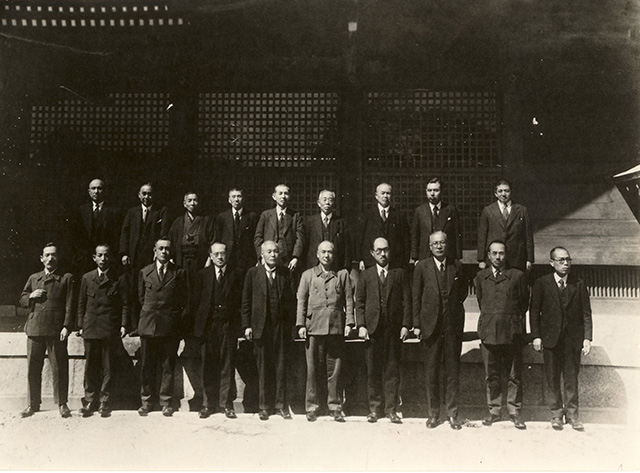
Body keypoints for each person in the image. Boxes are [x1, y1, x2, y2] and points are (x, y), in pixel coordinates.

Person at [530, 247, 593, 431]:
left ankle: (573, 416)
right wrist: (536, 336)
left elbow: (586, 314)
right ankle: (556, 414)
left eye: (568, 260)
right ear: (552, 263)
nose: (565, 264)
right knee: (552, 378)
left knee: (571, 379)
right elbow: (534, 312)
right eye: (561, 260)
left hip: (572, 341)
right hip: (550, 340)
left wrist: (587, 338)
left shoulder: (578, 284)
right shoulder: (541, 283)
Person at [413, 231, 467, 430]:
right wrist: (417, 324)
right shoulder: (422, 267)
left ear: (447, 244)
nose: (439, 246)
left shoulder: (457, 266)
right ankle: (433, 413)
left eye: (442, 242)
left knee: (453, 371)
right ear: (429, 246)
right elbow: (416, 296)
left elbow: (461, 294)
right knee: (432, 371)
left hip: (452, 326)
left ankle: (453, 413)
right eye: (435, 243)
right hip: (430, 326)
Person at [297, 241, 355, 422]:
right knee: (312, 369)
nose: (327, 255)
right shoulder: (308, 275)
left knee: (335, 370)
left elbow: (348, 300)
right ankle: (312, 406)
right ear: (317, 254)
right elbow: (301, 301)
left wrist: (349, 323)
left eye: (330, 252)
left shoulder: (342, 275)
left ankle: (335, 406)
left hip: (336, 327)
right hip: (314, 327)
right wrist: (300, 325)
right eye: (323, 252)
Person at [355, 237, 411, 424]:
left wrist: (405, 325)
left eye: (385, 250)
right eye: (378, 250)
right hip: (372, 329)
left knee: (392, 369)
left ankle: (391, 409)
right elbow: (360, 303)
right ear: (372, 253)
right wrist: (361, 325)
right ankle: (374, 408)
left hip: (393, 329)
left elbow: (406, 301)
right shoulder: (366, 275)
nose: (382, 254)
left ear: (390, 251)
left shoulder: (399, 274)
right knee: (373, 370)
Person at [474, 240, 529, 429]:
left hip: (512, 331)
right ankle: (494, 411)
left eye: (502, 253)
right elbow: (482, 301)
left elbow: (523, 304)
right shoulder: (481, 277)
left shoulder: (517, 276)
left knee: (514, 375)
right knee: (492, 375)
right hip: (489, 331)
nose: (498, 257)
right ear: (488, 255)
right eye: (494, 253)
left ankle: (514, 411)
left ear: (506, 255)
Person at [169, 191, 213, 411]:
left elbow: (212, 243)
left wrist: (207, 263)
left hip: (200, 265)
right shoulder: (178, 222)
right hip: (182, 265)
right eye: (189, 200)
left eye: (196, 200)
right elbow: (171, 242)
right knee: (182, 296)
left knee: (199, 297)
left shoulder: (206, 221)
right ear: (183, 203)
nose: (193, 203)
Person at [241, 241, 295, 421]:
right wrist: (247, 325)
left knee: (281, 366)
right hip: (260, 327)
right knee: (263, 367)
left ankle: (281, 405)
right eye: (269, 252)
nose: (273, 255)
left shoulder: (285, 273)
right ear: (262, 254)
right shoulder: (252, 273)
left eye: (275, 251)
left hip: (280, 328)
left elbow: (291, 302)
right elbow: (246, 302)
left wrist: (291, 327)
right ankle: (264, 406)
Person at [19, 243, 74, 418]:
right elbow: (21, 298)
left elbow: (70, 305)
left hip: (56, 329)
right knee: (33, 368)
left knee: (59, 368)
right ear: (41, 258)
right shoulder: (34, 278)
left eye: (54, 255)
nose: (50, 258)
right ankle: (32, 404)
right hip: (35, 328)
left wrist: (67, 326)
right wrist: (30, 296)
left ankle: (62, 404)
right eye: (47, 255)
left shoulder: (66, 278)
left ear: (58, 257)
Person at [77, 244, 129, 418]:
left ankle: (105, 401)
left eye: (106, 255)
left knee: (108, 366)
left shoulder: (119, 278)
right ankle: (90, 400)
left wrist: (123, 325)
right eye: (99, 255)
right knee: (91, 365)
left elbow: (125, 304)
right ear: (94, 258)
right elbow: (81, 303)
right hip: (91, 327)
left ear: (110, 257)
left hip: (109, 328)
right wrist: (80, 325)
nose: (103, 259)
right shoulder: (87, 278)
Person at [192, 242, 244, 419]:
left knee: (227, 364)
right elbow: (195, 302)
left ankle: (226, 404)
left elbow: (240, 303)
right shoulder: (202, 275)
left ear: (227, 254)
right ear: (211, 256)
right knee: (208, 364)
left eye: (223, 253)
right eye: (216, 254)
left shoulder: (235, 275)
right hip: (208, 325)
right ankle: (208, 404)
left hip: (227, 325)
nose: (220, 257)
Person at [136, 238, 187, 417]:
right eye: (161, 248)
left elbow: (182, 299)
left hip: (169, 326)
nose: (164, 251)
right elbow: (141, 298)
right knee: (147, 365)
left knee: (168, 365)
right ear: (154, 250)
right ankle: (146, 401)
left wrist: (174, 320)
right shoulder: (145, 272)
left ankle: (166, 401)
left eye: (167, 249)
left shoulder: (178, 273)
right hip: (149, 325)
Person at [119, 183, 169, 330]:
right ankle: (135, 325)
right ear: (139, 195)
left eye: (150, 194)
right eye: (144, 194)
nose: (147, 197)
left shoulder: (161, 211)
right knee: (135, 290)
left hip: (151, 257)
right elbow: (125, 233)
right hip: (134, 258)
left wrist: (157, 253)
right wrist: (124, 253)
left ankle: (150, 324)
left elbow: (163, 232)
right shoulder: (132, 212)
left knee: (150, 291)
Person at [477, 179, 534, 273]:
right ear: (495, 193)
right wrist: (481, 259)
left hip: (516, 258)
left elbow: (528, 236)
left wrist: (530, 259)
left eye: (506, 191)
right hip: (495, 258)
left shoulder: (521, 210)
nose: (503, 194)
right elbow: (482, 236)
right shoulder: (488, 211)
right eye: (500, 191)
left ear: (511, 192)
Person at [73, 179, 122, 275]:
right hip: (85, 258)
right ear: (89, 191)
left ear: (105, 191)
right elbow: (76, 235)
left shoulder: (114, 211)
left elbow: (117, 236)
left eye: (99, 188)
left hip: (106, 258)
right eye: (93, 188)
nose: (96, 191)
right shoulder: (82, 210)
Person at [356, 183, 409, 270]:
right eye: (383, 193)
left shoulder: (399, 215)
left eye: (388, 193)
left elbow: (406, 240)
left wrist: (404, 261)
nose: (385, 196)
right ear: (376, 196)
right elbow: (360, 239)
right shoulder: (367, 215)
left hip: (394, 262)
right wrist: (360, 259)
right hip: (371, 262)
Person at [410, 178, 462, 264]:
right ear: (426, 191)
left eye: (436, 190)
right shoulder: (420, 211)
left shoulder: (450, 210)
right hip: (425, 255)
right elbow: (415, 235)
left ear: (441, 191)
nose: (432, 194)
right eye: (429, 190)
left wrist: (458, 257)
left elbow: (457, 234)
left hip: (446, 256)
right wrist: (415, 258)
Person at [254, 184, 304, 272]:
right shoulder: (266, 215)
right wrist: (261, 256)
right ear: (274, 196)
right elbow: (258, 237)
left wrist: (295, 257)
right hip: (268, 258)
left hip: (288, 261)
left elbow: (300, 238)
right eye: (280, 193)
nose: (283, 196)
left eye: (286, 194)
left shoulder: (296, 216)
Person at [303, 189, 351, 271]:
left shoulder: (341, 222)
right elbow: (305, 245)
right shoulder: (310, 222)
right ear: (318, 203)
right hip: (314, 266)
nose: (327, 203)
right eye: (324, 200)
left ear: (334, 203)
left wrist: (346, 267)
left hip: (335, 267)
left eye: (330, 200)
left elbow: (347, 247)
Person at [214, 188, 259, 271]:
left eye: (239, 196)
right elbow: (218, 238)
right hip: (228, 258)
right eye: (233, 196)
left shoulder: (252, 216)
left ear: (244, 198)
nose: (236, 199)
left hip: (247, 259)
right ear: (229, 200)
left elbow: (255, 238)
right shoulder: (222, 217)